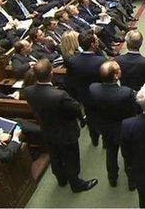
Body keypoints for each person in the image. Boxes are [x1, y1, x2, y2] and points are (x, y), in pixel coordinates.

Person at [23, 59, 99, 193]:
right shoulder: (59, 95)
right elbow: (75, 108)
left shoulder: (28, 91)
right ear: (51, 74)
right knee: (71, 158)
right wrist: (80, 118)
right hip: (65, 131)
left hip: (46, 129)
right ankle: (76, 184)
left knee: (55, 155)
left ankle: (61, 179)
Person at [88, 60, 138, 188]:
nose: (121, 71)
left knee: (111, 153)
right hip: (124, 128)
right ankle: (132, 181)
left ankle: (112, 179)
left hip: (106, 128)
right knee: (129, 156)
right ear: (116, 76)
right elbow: (134, 111)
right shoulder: (126, 92)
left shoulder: (93, 88)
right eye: (119, 70)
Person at [64, 30, 105, 146]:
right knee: (104, 117)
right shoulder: (100, 61)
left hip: (84, 95)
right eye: (97, 40)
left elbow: (69, 80)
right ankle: (106, 141)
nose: (98, 42)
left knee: (91, 118)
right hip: (100, 94)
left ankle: (94, 139)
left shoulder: (72, 60)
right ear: (93, 44)